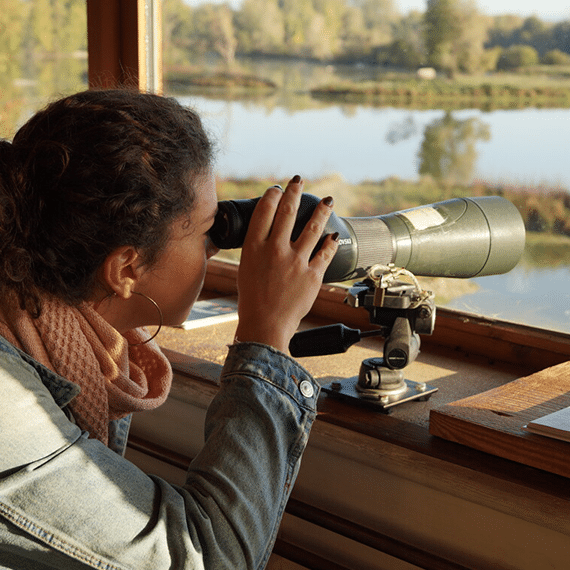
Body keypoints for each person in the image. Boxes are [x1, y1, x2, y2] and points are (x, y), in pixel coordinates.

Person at [0, 89, 339, 569]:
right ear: (124, 270)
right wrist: (266, 336)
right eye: (207, 231)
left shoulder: (45, 316)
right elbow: (206, 557)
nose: (216, 250)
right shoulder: (8, 398)